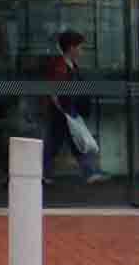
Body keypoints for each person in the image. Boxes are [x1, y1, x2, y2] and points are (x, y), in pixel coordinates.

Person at [38, 29, 100, 180]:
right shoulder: (60, 66)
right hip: (62, 111)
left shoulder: (70, 65)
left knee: (66, 142)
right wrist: (62, 110)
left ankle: (42, 174)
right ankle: (89, 172)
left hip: (65, 110)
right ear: (71, 48)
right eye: (80, 47)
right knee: (68, 142)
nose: (81, 51)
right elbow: (54, 90)